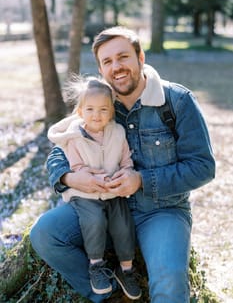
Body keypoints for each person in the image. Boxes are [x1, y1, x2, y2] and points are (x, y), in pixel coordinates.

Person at [30, 26, 215, 303]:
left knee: (169, 284)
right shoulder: (97, 101)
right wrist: (69, 178)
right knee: (46, 234)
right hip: (101, 206)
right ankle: (106, 294)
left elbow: (202, 167)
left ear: (140, 57)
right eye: (107, 62)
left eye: (123, 57)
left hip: (161, 212)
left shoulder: (177, 101)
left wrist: (141, 179)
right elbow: (61, 151)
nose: (116, 67)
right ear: (101, 69)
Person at [47, 76, 141, 300]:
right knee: (94, 221)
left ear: (111, 111)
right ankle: (96, 265)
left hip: (113, 190)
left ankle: (126, 269)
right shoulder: (73, 137)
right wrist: (91, 178)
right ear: (80, 111)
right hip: (85, 193)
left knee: (123, 223)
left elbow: (126, 159)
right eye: (90, 109)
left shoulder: (118, 132)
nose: (96, 115)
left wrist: (125, 173)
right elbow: (76, 166)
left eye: (103, 110)